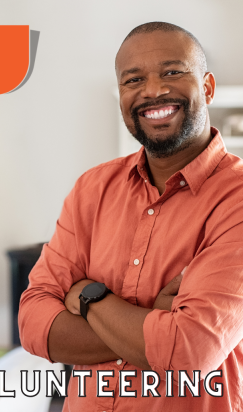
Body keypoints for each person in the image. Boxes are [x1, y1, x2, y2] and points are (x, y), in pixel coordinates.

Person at [19, 22, 243, 412]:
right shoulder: (93, 188)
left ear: (207, 87)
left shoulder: (236, 197)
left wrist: (91, 298)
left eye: (173, 72)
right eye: (133, 79)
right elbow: (34, 324)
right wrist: (154, 320)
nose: (153, 90)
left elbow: (189, 350)